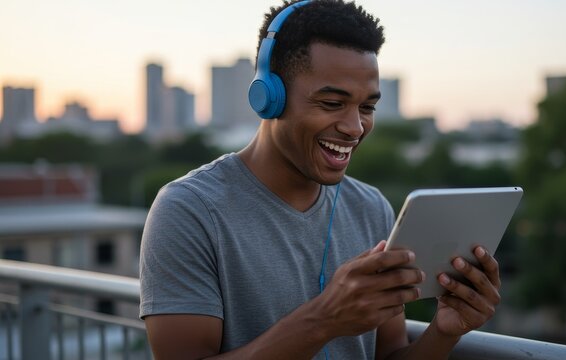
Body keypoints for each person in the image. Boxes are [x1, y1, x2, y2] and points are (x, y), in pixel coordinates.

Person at [139, 0, 502, 359]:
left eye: (367, 107)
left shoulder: (371, 207)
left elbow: (389, 354)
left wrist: (444, 332)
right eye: (332, 103)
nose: (354, 127)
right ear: (269, 98)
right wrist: (324, 319)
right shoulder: (189, 211)